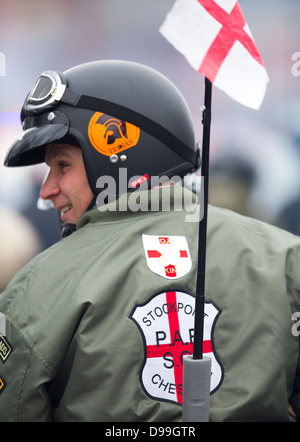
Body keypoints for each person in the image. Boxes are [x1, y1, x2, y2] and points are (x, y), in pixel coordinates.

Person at [0, 60, 300, 422]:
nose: (48, 189)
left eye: (62, 165)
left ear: (117, 156)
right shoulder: (287, 260)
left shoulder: (36, 289)